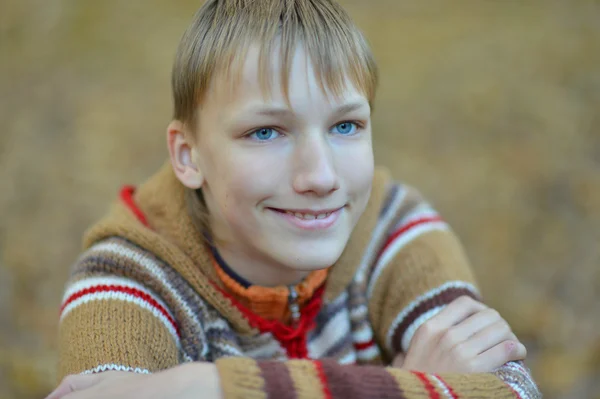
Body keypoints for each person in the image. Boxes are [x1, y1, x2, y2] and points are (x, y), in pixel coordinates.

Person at [48, 0, 541, 398]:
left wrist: (212, 386)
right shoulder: (124, 281)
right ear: (188, 155)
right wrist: (415, 386)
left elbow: (509, 389)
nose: (320, 176)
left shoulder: (395, 228)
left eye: (346, 125)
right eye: (266, 132)